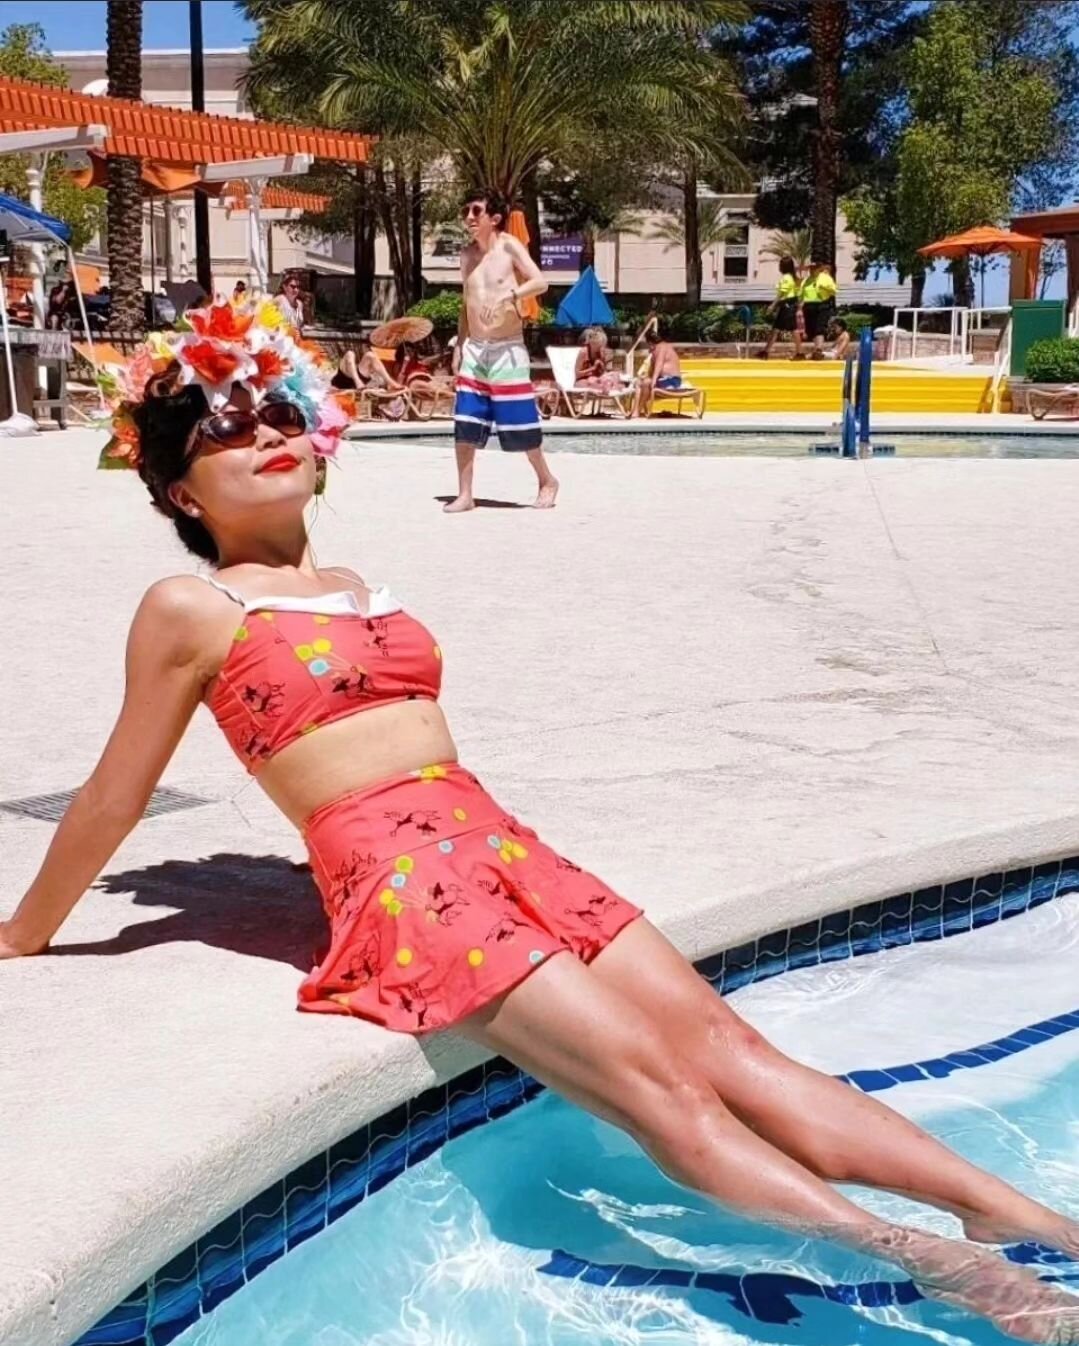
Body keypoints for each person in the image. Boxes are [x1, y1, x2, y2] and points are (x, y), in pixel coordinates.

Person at [2, 312, 1078, 1345]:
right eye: (228, 433)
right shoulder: (194, 607)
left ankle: (1011, 1213)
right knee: (663, 1092)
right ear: (179, 487)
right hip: (404, 880)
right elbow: (113, 793)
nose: (270, 436)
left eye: (279, 416)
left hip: (503, 845)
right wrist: (25, 931)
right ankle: (927, 1259)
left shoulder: (351, 584)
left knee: (731, 1046)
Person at [448, 188, 558, 512]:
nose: (469, 216)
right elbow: (465, 304)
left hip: (507, 348)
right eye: (466, 210)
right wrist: (460, 343)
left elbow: (540, 281)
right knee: (465, 420)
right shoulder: (467, 256)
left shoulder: (509, 246)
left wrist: (510, 296)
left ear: (493, 218)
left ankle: (546, 479)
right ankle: (465, 494)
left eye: (476, 211)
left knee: (519, 422)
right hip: (475, 349)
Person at [632, 324, 684, 416]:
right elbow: (653, 369)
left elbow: (659, 364)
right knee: (638, 382)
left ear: (650, 343)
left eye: (648, 345)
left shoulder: (662, 347)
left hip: (672, 380)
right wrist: (646, 377)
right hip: (664, 379)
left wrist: (653, 379)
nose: (648, 348)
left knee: (646, 382)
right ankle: (636, 410)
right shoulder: (655, 351)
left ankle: (638, 411)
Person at [758, 257, 801, 360]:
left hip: (788, 305)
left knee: (793, 329)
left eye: (780, 265)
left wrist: (772, 305)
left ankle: (799, 353)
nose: (779, 267)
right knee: (776, 329)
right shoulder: (791, 277)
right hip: (788, 305)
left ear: (784, 267)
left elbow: (782, 293)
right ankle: (766, 351)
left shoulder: (786, 277)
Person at [801, 260, 838, 360]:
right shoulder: (806, 280)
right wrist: (799, 307)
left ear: (819, 268)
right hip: (808, 306)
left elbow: (834, 291)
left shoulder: (825, 278)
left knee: (819, 328)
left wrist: (825, 287)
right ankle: (816, 349)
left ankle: (818, 350)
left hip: (822, 305)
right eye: (811, 268)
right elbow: (801, 294)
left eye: (814, 268)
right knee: (811, 330)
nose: (812, 270)